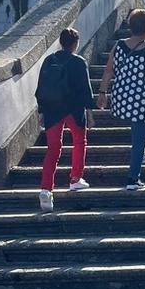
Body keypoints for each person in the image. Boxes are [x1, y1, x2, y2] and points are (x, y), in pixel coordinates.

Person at [96, 8, 145, 191]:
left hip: (121, 97)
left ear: (130, 26)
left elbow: (108, 70)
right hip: (142, 98)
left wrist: (102, 92)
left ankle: (140, 154)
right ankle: (132, 179)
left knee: (137, 133)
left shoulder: (119, 45)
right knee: (140, 137)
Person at [35, 27, 96, 211]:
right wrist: (90, 113)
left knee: (53, 149)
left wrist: (41, 112)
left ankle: (46, 189)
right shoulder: (79, 62)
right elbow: (86, 89)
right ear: (75, 44)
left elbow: (41, 88)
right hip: (74, 110)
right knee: (79, 141)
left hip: (52, 111)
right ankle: (75, 178)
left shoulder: (49, 60)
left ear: (61, 42)